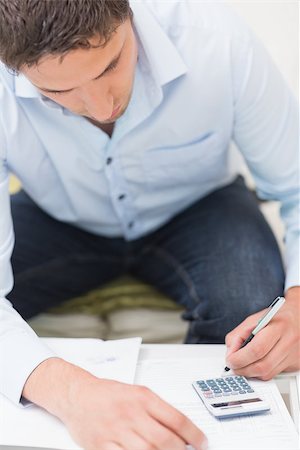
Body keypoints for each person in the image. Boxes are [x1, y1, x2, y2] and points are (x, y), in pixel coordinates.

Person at [0, 0, 299, 449]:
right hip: (57, 220)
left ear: (128, 14)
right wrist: (73, 394)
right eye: (58, 93)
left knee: (255, 327)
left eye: (110, 65)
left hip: (201, 208)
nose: (102, 107)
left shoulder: (217, 40)